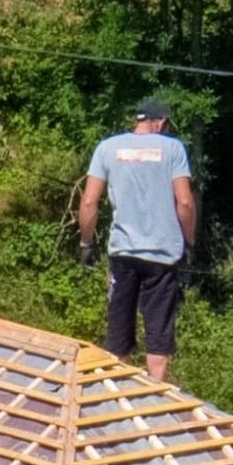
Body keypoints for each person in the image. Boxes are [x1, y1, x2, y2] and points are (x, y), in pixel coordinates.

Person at [75, 98, 201, 382]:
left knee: (119, 334)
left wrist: (86, 244)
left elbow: (89, 202)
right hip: (162, 254)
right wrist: (190, 240)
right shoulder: (173, 149)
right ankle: (154, 396)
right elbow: (185, 202)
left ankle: (120, 396)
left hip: (123, 254)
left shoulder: (107, 148)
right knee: (158, 334)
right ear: (159, 122)